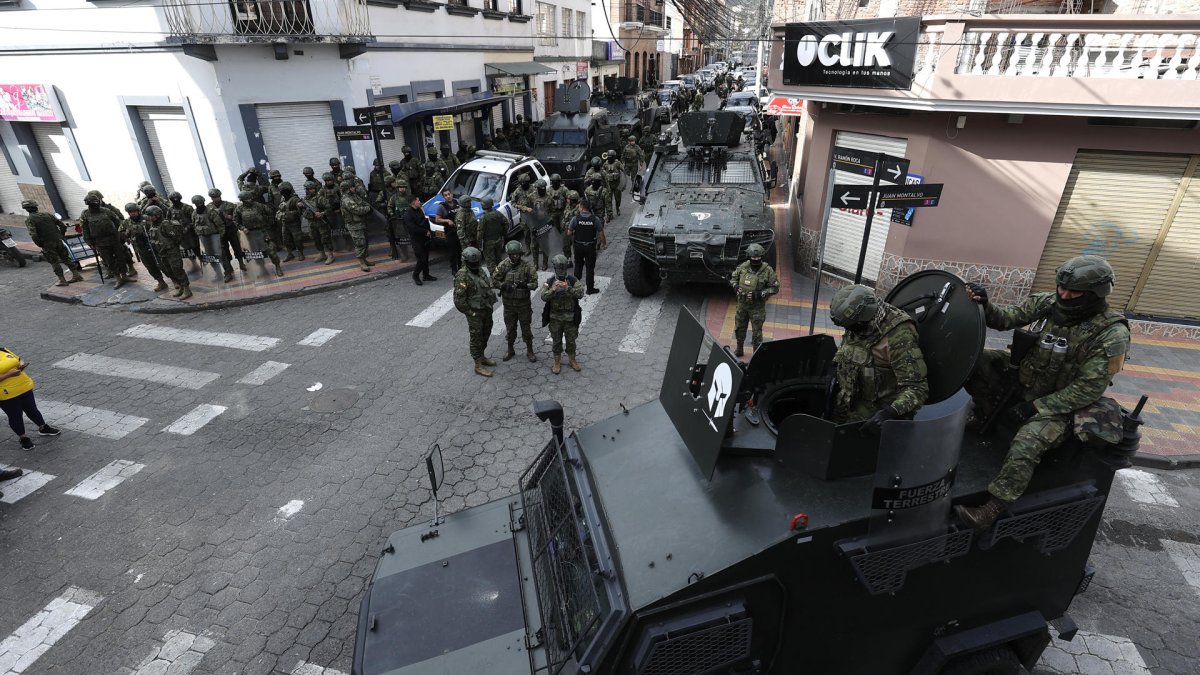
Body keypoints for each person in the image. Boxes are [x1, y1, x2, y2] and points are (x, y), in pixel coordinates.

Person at [955, 255, 1131, 529]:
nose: (1064, 295)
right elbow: (1006, 319)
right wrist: (985, 304)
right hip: (1026, 377)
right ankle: (985, 415)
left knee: (1028, 441)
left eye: (1073, 292)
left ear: (1095, 294)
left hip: (1061, 404)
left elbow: (1087, 389)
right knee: (974, 360)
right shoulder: (1049, 303)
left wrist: (1036, 407)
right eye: (1061, 287)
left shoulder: (1112, 334)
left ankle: (993, 507)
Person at [828, 285, 928, 434]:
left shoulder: (899, 335)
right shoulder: (858, 322)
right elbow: (849, 347)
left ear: (863, 318)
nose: (850, 331)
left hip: (875, 417)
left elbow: (917, 388)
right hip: (847, 403)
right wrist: (835, 366)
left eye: (853, 327)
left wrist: (890, 413)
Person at [1, 347, 60, 452]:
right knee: (15, 416)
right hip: (7, 394)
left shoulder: (3, 349)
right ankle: (23, 438)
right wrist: (10, 374)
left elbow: (18, 358)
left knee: (32, 409)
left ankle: (43, 428)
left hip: (24, 386)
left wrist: (21, 364)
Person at [454, 247, 498, 377]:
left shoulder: (480, 270)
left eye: (477, 262)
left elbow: (486, 286)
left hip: (486, 309)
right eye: (472, 263)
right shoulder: (462, 276)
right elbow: (459, 300)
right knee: (476, 337)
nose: (475, 264)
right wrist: (470, 312)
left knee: (486, 332)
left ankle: (482, 356)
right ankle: (478, 365)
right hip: (474, 312)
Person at [493, 240, 539, 363]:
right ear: (508, 254)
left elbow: (535, 283)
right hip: (509, 306)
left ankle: (530, 350)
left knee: (526, 329)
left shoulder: (527, 266)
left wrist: (525, 285)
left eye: (517, 254)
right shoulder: (503, 265)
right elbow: (494, 280)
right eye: (512, 254)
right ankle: (510, 349)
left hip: (523, 305)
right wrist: (503, 285)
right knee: (510, 329)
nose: (515, 256)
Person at [729, 243, 778, 356]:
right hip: (742, 305)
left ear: (761, 256)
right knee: (739, 327)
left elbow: (775, 287)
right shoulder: (743, 267)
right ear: (749, 256)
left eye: (758, 257)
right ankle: (739, 349)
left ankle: (756, 354)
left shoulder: (768, 270)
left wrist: (760, 294)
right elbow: (733, 279)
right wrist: (736, 286)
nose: (755, 259)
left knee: (757, 332)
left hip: (757, 308)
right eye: (753, 257)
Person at [541, 254, 585, 374]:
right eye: (558, 268)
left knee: (571, 340)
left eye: (563, 267)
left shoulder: (572, 280)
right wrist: (553, 289)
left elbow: (580, 294)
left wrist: (568, 288)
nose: (561, 270)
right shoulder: (550, 281)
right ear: (555, 268)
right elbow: (543, 296)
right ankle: (557, 362)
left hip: (570, 317)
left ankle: (572, 360)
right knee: (556, 340)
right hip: (555, 318)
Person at [23, 200, 83, 286]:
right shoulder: (47, 214)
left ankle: (62, 280)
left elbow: (34, 234)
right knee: (66, 258)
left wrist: (39, 243)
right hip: (58, 240)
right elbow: (62, 225)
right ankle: (76, 275)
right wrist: (61, 235)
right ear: (36, 207)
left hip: (46, 243)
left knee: (54, 262)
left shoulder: (30, 219)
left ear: (26, 209)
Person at [80, 191, 132, 288]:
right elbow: (85, 229)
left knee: (121, 258)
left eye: (97, 202)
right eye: (93, 203)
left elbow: (118, 222)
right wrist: (89, 243)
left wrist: (123, 234)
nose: (96, 205)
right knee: (109, 261)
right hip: (100, 242)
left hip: (114, 239)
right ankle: (118, 278)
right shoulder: (85, 214)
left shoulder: (106, 211)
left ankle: (124, 275)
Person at [143, 205, 192, 299]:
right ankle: (181, 287)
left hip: (171, 251)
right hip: (162, 252)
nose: (149, 218)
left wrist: (173, 247)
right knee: (170, 271)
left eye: (151, 216)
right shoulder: (153, 225)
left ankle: (187, 289)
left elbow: (176, 237)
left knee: (177, 270)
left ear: (157, 215)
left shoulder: (165, 224)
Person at [234, 190, 284, 277]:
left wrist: (268, 223)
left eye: (250, 198)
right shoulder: (239, 209)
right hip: (250, 234)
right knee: (256, 253)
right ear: (242, 200)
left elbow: (270, 213)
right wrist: (243, 228)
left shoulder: (259, 205)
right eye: (247, 199)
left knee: (271, 251)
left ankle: (277, 266)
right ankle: (262, 268)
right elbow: (236, 221)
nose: (249, 200)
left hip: (263, 232)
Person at [120, 203, 168, 292]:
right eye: (130, 212)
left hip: (155, 246)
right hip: (141, 249)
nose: (133, 214)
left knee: (163, 264)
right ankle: (161, 282)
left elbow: (159, 225)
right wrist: (126, 234)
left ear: (138, 211)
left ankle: (175, 280)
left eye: (134, 211)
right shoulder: (126, 222)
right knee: (150, 267)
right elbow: (121, 233)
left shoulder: (147, 218)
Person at [565, 197, 606, 295]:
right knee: (590, 268)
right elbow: (601, 233)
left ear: (582, 208)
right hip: (590, 247)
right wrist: (604, 243)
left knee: (578, 266)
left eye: (579, 206)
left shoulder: (575, 219)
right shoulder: (595, 219)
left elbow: (569, 233)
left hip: (578, 247)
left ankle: (575, 286)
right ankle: (590, 289)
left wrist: (575, 231)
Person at [193, 194, 234, 282]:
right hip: (204, 238)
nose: (199, 205)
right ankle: (218, 273)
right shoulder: (194, 213)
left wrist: (220, 237)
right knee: (210, 257)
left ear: (203, 202)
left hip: (214, 236)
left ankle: (228, 273)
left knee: (221, 255)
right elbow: (194, 225)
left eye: (200, 203)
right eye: (197, 204)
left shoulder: (210, 212)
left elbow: (220, 225)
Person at [207, 188, 247, 274]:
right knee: (224, 251)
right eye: (214, 197)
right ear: (211, 198)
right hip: (219, 232)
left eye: (217, 196)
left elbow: (237, 217)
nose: (216, 198)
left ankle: (241, 263)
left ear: (220, 196)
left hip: (231, 230)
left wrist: (229, 217)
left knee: (237, 247)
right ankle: (229, 267)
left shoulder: (229, 205)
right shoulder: (208, 208)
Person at [340, 179, 374, 272]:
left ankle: (364, 260)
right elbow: (357, 210)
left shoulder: (353, 195)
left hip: (360, 223)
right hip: (354, 225)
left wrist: (367, 206)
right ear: (347, 189)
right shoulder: (347, 199)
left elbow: (363, 202)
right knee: (359, 243)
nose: (354, 188)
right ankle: (361, 262)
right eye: (352, 187)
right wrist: (368, 208)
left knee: (364, 242)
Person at [402, 194, 435, 285]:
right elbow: (412, 228)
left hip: (424, 238)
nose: (419, 202)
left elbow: (423, 221)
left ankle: (426, 275)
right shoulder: (408, 214)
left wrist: (428, 231)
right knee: (422, 259)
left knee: (426, 258)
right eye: (418, 200)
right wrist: (425, 231)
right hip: (416, 240)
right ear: (413, 202)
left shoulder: (419, 210)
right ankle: (415, 275)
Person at [166, 192, 200, 267]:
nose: (175, 202)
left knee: (196, 248)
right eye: (173, 200)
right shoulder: (170, 210)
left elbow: (195, 220)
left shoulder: (188, 208)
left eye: (177, 200)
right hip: (180, 234)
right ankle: (195, 264)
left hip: (191, 233)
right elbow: (168, 221)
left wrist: (188, 227)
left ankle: (203, 263)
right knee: (187, 250)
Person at [307, 179, 337, 265]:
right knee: (316, 239)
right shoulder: (306, 199)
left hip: (321, 222)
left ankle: (330, 255)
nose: (312, 190)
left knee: (325, 239)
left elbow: (330, 208)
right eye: (309, 189)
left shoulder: (320, 198)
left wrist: (322, 213)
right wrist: (300, 206)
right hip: (311, 223)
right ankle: (322, 254)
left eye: (313, 188)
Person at [434, 189, 463, 276]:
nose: (448, 196)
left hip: (460, 231)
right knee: (452, 252)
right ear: (443, 197)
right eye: (446, 195)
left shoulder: (458, 203)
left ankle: (461, 268)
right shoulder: (442, 206)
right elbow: (437, 219)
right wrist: (447, 220)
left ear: (452, 194)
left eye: (449, 194)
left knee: (460, 251)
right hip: (450, 232)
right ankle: (454, 269)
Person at [276, 182, 306, 262]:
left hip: (294, 223)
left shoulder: (294, 199)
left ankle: (301, 253)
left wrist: (292, 211)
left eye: (284, 190)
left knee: (297, 239)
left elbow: (299, 210)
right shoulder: (282, 199)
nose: (282, 192)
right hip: (285, 223)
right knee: (285, 240)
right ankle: (290, 254)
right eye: (281, 190)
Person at [477, 197, 509, 270]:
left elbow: (480, 232)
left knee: (490, 262)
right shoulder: (498, 213)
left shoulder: (483, 217)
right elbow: (506, 223)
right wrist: (502, 233)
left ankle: (494, 275)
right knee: (499, 259)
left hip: (488, 243)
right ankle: (501, 273)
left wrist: (479, 244)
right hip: (498, 240)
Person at [385, 180, 414, 261]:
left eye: (404, 187)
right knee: (402, 239)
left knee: (412, 237)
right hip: (399, 221)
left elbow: (415, 205)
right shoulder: (394, 197)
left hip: (409, 220)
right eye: (400, 187)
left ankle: (414, 253)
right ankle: (404, 255)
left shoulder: (409, 196)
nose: (402, 188)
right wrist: (392, 214)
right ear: (398, 188)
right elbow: (389, 207)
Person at [602, 150, 624, 216]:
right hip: (609, 184)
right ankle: (610, 212)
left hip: (617, 184)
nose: (610, 158)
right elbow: (602, 171)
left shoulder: (617, 163)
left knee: (618, 199)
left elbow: (623, 169)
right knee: (609, 199)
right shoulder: (605, 164)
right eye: (609, 157)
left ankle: (617, 208)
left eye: (611, 157)